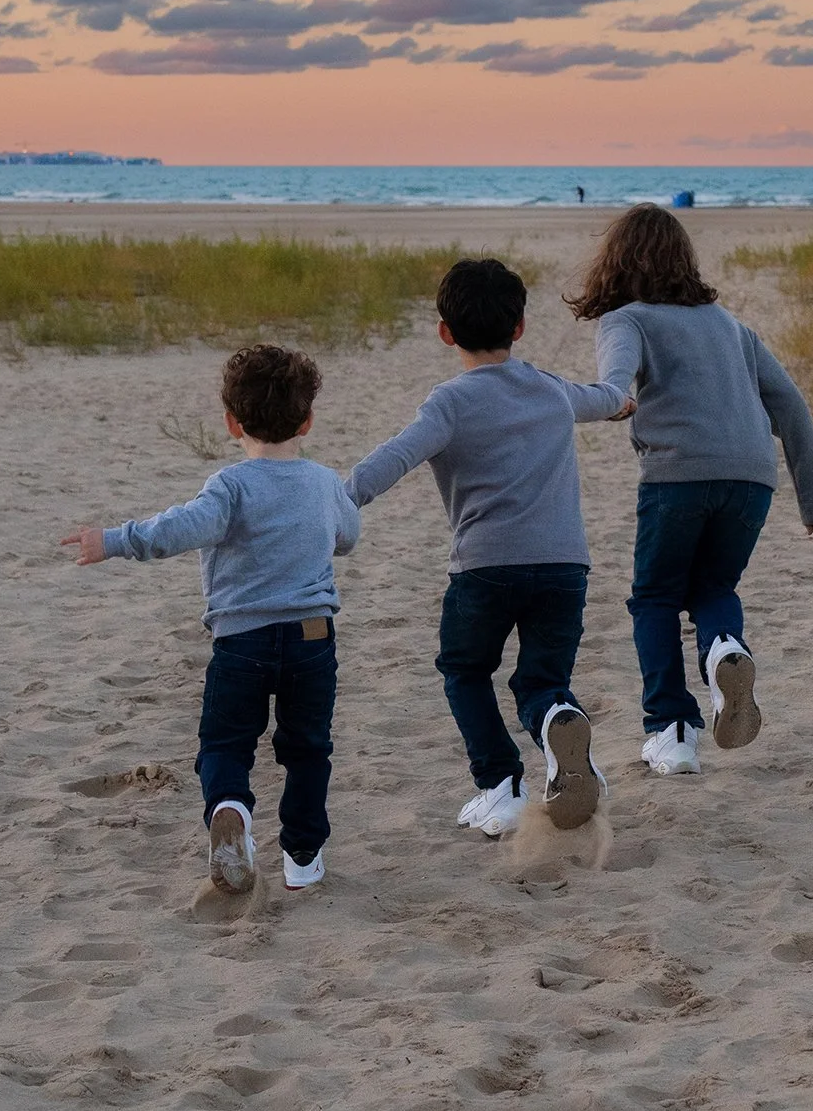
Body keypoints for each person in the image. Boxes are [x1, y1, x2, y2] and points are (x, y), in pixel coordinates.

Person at [346, 258, 632, 838]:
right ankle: (557, 717)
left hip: (485, 568)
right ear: (520, 326)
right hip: (563, 566)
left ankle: (500, 786)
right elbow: (603, 398)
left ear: (445, 332)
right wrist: (623, 404)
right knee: (540, 679)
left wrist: (340, 500)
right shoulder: (552, 390)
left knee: (465, 668)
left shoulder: (449, 403)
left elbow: (395, 457)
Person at [59, 345, 359, 895]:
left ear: (231, 422)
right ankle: (303, 858)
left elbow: (178, 529)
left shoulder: (230, 485)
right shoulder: (324, 482)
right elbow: (349, 538)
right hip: (313, 638)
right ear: (309, 420)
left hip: (241, 640)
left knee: (224, 745)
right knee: (308, 748)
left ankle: (231, 812)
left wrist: (113, 540)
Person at [567, 204, 813, 777]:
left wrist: (610, 401)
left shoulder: (626, 319)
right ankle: (723, 649)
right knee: (714, 586)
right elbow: (789, 403)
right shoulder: (731, 325)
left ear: (615, 262)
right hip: (752, 479)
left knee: (656, 597)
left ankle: (671, 731)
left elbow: (616, 383)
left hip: (678, 476)